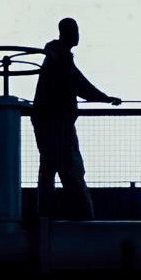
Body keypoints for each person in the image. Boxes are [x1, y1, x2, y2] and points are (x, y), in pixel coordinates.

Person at [30, 17, 119, 219]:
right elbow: (80, 84)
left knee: (48, 170)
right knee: (71, 169)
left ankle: (44, 217)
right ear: (70, 33)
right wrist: (104, 98)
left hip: (48, 124)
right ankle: (83, 216)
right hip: (58, 125)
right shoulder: (61, 59)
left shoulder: (55, 57)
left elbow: (77, 82)